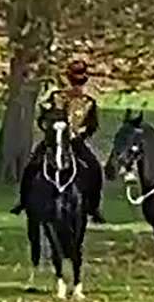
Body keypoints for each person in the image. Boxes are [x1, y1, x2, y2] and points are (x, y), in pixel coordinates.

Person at [11, 60, 105, 223]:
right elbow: (42, 118)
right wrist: (49, 129)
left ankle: (93, 207)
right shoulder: (56, 98)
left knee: (94, 166)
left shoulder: (89, 103)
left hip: (75, 141)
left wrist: (80, 134)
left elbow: (92, 125)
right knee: (32, 165)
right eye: (74, 82)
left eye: (80, 83)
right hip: (54, 139)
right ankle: (24, 200)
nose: (77, 86)